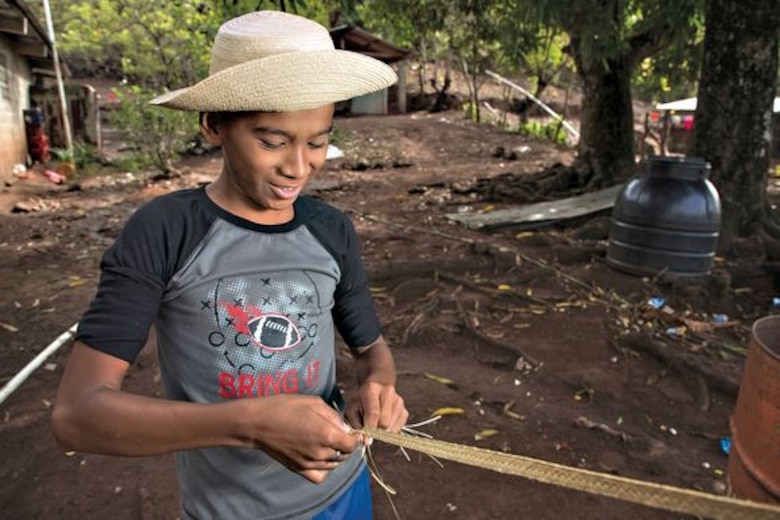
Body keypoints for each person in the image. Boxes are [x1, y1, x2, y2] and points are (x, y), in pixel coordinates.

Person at [51, 10, 408, 520]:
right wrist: (251, 425)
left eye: (317, 141)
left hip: (343, 495)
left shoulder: (331, 230)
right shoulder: (166, 231)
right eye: (272, 141)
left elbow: (371, 350)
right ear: (213, 125)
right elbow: (78, 413)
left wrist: (378, 387)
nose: (298, 167)